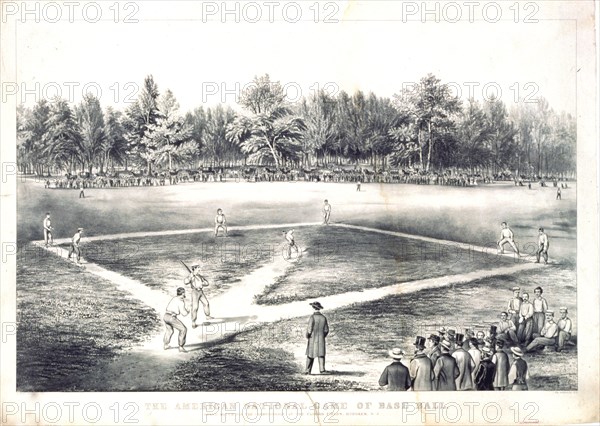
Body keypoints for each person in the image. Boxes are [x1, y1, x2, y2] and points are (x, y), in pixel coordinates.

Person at [305, 301, 329, 374]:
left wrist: (308, 336)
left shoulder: (312, 317)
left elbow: (309, 330)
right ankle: (322, 370)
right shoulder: (323, 318)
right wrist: (322, 336)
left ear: (313, 308)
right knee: (321, 354)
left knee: (310, 354)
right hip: (321, 339)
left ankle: (307, 370)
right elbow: (326, 330)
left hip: (313, 338)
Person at [163, 287, 189, 353]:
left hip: (165, 316)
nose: (184, 294)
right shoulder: (181, 301)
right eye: (184, 292)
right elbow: (184, 313)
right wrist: (188, 311)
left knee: (169, 330)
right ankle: (181, 347)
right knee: (183, 329)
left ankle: (165, 345)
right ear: (183, 293)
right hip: (172, 317)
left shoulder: (174, 298)